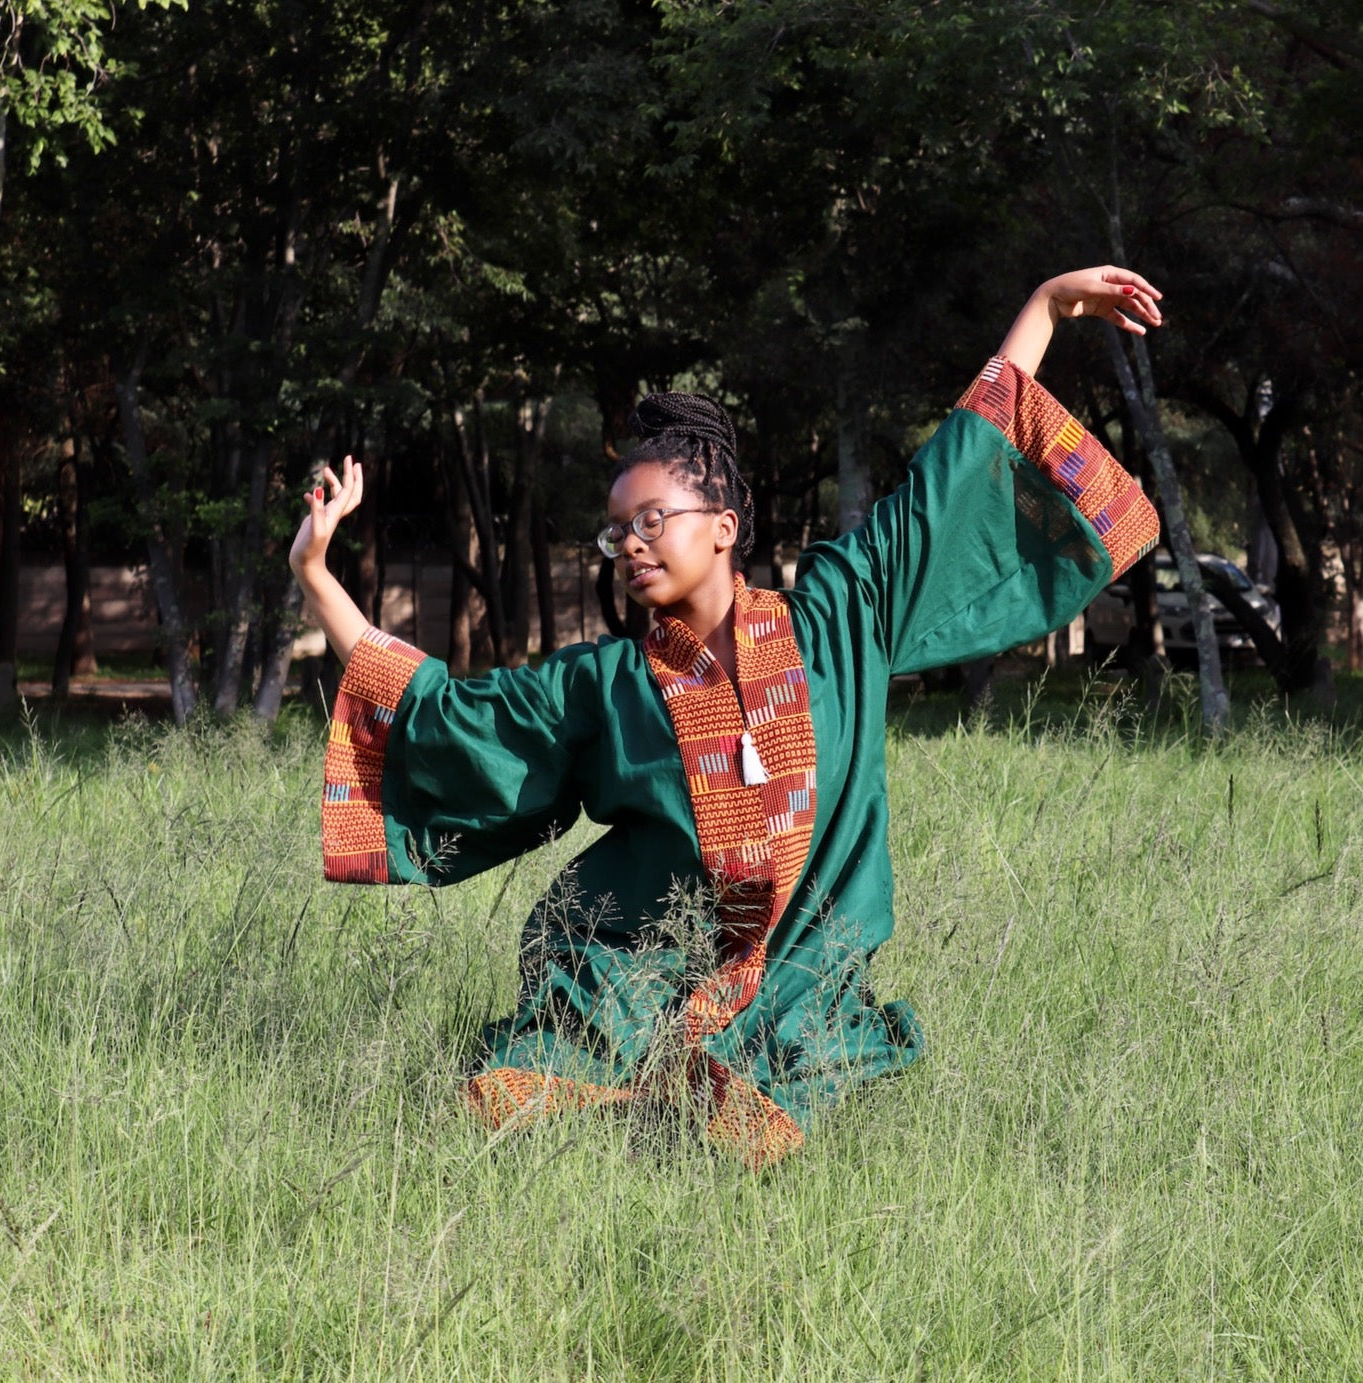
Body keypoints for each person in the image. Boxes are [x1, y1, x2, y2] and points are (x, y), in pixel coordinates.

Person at [290, 266, 1162, 1171]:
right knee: (506, 1105)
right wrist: (317, 575)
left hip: (796, 976)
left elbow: (951, 472)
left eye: (652, 518)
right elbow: (446, 715)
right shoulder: (605, 683)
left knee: (734, 1130)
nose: (629, 543)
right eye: (615, 530)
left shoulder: (839, 613)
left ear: (724, 524)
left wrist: (1045, 310)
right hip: (636, 963)